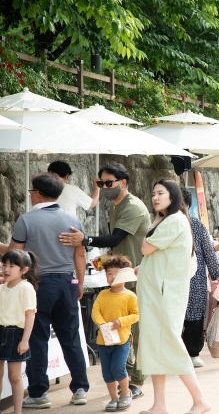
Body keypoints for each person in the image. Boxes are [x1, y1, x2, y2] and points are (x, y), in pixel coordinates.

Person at [59, 162, 150, 398]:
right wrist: (107, 259)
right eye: (101, 184)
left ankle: (138, 381)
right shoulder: (115, 206)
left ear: (123, 183)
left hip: (138, 276)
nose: (105, 187)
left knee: (136, 329)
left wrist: (86, 240)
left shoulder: (133, 207)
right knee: (121, 327)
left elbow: (117, 235)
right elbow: (118, 242)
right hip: (122, 274)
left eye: (109, 183)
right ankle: (127, 377)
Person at [0, 173, 89, 408]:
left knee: (37, 339)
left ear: (37, 194)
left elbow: (14, 255)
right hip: (67, 283)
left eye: (31, 193)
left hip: (38, 285)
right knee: (70, 338)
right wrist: (79, 282)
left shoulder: (26, 220)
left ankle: (39, 393)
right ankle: (80, 388)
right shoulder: (73, 219)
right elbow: (80, 255)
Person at [138, 179, 210, 414]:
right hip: (158, 294)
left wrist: (155, 220)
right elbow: (158, 256)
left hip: (163, 296)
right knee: (155, 348)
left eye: (161, 193)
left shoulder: (172, 220)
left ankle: (200, 401)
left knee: (170, 344)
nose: (155, 197)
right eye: (153, 193)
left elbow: (145, 247)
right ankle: (159, 405)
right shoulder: (176, 220)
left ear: (173, 196)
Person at [179, 187, 219, 368]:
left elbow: (209, 252)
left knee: (195, 316)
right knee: (175, 317)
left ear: (188, 205)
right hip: (173, 279)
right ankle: (177, 353)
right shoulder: (162, 225)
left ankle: (194, 352)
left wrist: (217, 275)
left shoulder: (197, 225)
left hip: (195, 279)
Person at [91, 256, 139, 412]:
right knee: (107, 372)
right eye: (108, 273)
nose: (111, 277)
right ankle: (113, 398)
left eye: (116, 273)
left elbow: (136, 315)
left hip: (122, 340)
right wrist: (102, 323)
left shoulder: (130, 296)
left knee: (118, 368)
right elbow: (95, 312)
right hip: (103, 340)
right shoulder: (103, 295)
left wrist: (122, 321)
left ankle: (125, 393)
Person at [0, 250, 38, 414]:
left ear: (24, 270)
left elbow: (30, 315)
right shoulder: (1, 287)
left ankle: (18, 411)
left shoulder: (26, 288)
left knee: (15, 377)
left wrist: (25, 340)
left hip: (16, 334)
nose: (6, 269)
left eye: (11, 266)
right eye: (4, 265)